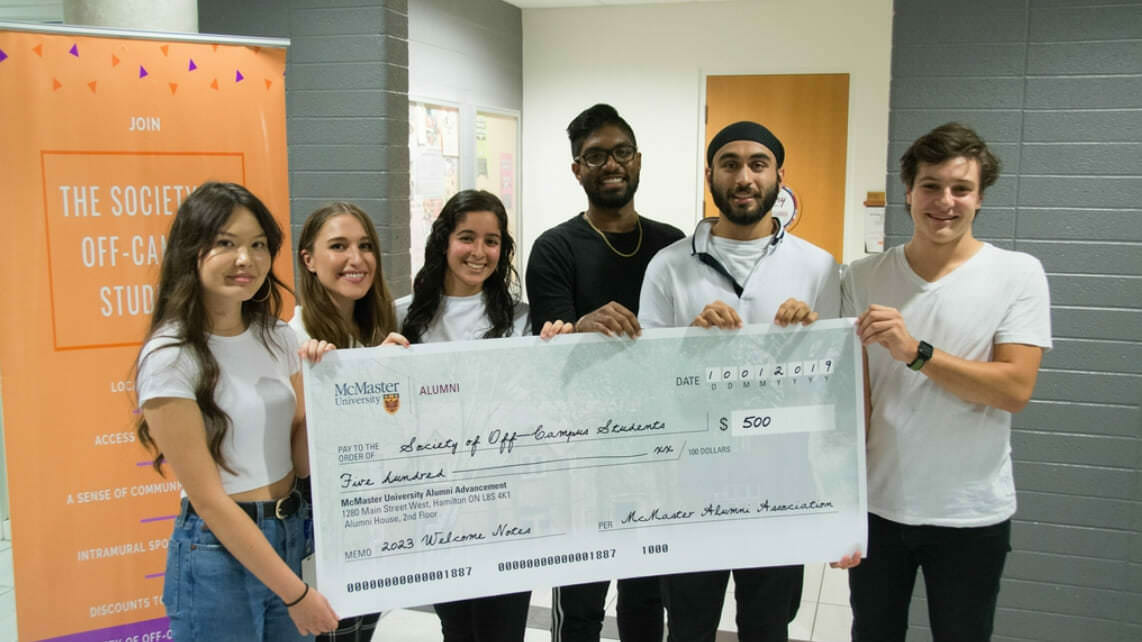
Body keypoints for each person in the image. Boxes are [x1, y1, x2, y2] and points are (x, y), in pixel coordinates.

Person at [638, 121, 861, 641]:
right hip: (692, 484)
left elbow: (835, 387)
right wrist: (687, 342)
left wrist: (813, 340)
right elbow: (644, 379)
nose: (744, 176)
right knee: (689, 625)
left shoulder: (819, 267)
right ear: (710, 175)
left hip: (783, 481)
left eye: (758, 164)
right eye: (730, 163)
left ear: (779, 177)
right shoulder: (668, 267)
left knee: (767, 626)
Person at [842, 122, 1051, 642]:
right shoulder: (861, 276)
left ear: (980, 199)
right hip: (878, 507)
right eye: (931, 186)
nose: (945, 201)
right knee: (872, 633)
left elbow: (1013, 389)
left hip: (970, 513)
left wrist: (916, 353)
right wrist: (837, 506)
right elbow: (851, 401)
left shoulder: (1018, 274)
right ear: (908, 192)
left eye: (961, 188)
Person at [135, 182, 339, 641]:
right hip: (216, 551)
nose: (245, 259)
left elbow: (300, 457)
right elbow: (208, 499)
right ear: (191, 250)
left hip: (290, 529)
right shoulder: (171, 355)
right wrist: (296, 594)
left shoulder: (278, 336)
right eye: (226, 243)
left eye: (258, 245)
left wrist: (334, 383)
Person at [526, 103, 684, 642]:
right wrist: (579, 325)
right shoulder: (554, 248)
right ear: (577, 169)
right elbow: (546, 353)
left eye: (620, 152)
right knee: (582, 603)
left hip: (656, 447)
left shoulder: (673, 243)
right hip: (582, 453)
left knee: (646, 598)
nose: (610, 164)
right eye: (594, 156)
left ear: (638, 160)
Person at [400, 189, 571, 641]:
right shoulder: (403, 317)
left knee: (502, 629)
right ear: (443, 242)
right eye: (467, 238)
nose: (479, 253)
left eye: (491, 241)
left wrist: (558, 347)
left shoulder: (524, 321)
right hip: (435, 511)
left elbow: (545, 405)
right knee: (456, 628)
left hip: (505, 510)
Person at [289, 201, 405, 642]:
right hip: (322, 536)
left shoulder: (378, 331)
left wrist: (396, 378)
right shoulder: (296, 341)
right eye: (338, 246)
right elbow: (303, 462)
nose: (356, 260)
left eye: (365, 246)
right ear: (309, 259)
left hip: (372, 523)